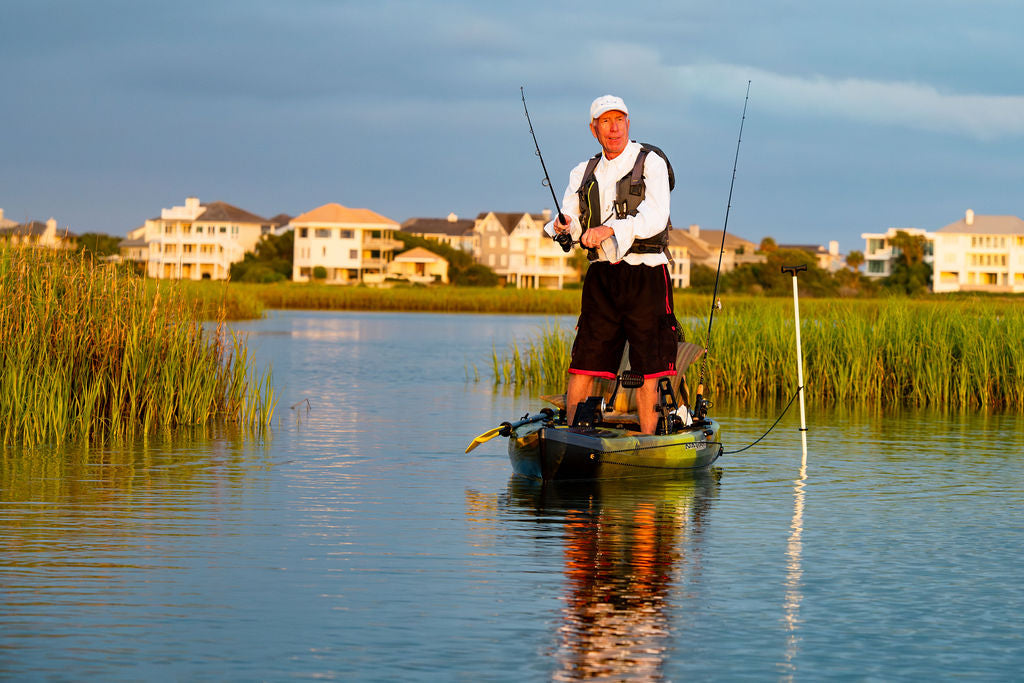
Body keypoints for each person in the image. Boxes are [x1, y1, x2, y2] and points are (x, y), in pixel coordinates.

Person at [544, 94, 678, 434]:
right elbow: (571, 221)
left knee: (649, 365)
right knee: (584, 362)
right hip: (602, 275)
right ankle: (573, 438)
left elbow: (655, 217)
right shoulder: (582, 171)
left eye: (619, 119)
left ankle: (650, 442)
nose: (613, 127)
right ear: (594, 129)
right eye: (605, 121)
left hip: (647, 272)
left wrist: (610, 229)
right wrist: (563, 227)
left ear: (628, 124)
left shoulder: (651, 163)